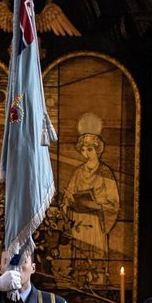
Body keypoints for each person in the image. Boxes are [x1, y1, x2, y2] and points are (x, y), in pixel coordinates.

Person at [64, 113, 120, 283]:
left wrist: (98, 204)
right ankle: (79, 283)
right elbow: (69, 194)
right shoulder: (78, 172)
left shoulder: (105, 173)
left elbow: (114, 203)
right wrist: (68, 201)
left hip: (96, 222)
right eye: (83, 150)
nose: (86, 153)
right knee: (80, 257)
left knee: (94, 258)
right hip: (79, 221)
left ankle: (96, 283)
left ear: (98, 149)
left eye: (90, 149)